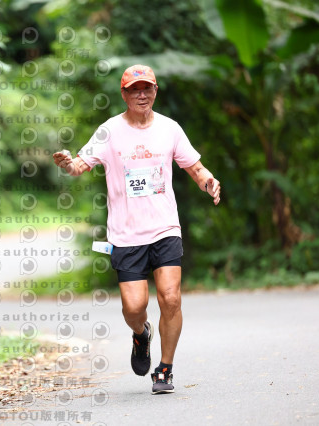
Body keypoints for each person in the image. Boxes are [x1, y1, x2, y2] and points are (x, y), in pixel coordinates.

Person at [52, 64, 220, 394]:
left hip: (165, 228)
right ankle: (141, 334)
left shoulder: (170, 129)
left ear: (155, 91)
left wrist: (209, 181)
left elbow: (194, 167)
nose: (141, 95)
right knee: (134, 307)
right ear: (124, 94)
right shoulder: (109, 131)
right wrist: (68, 164)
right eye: (134, 89)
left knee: (170, 298)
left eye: (147, 88)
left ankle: (165, 369)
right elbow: (80, 165)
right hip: (126, 235)